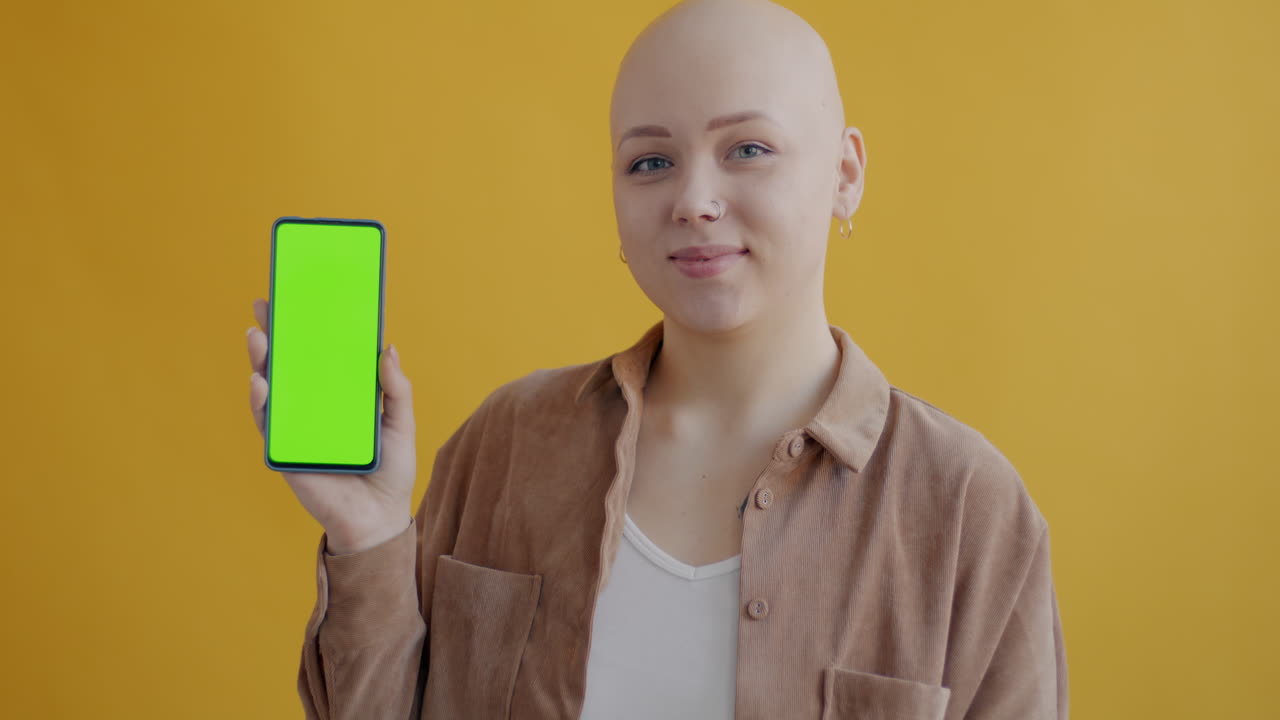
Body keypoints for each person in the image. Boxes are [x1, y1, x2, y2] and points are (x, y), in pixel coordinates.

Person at [245, 0, 1068, 717]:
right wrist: (371, 534)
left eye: (748, 149)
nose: (693, 200)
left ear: (846, 173)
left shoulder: (968, 510)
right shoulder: (505, 446)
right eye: (650, 162)